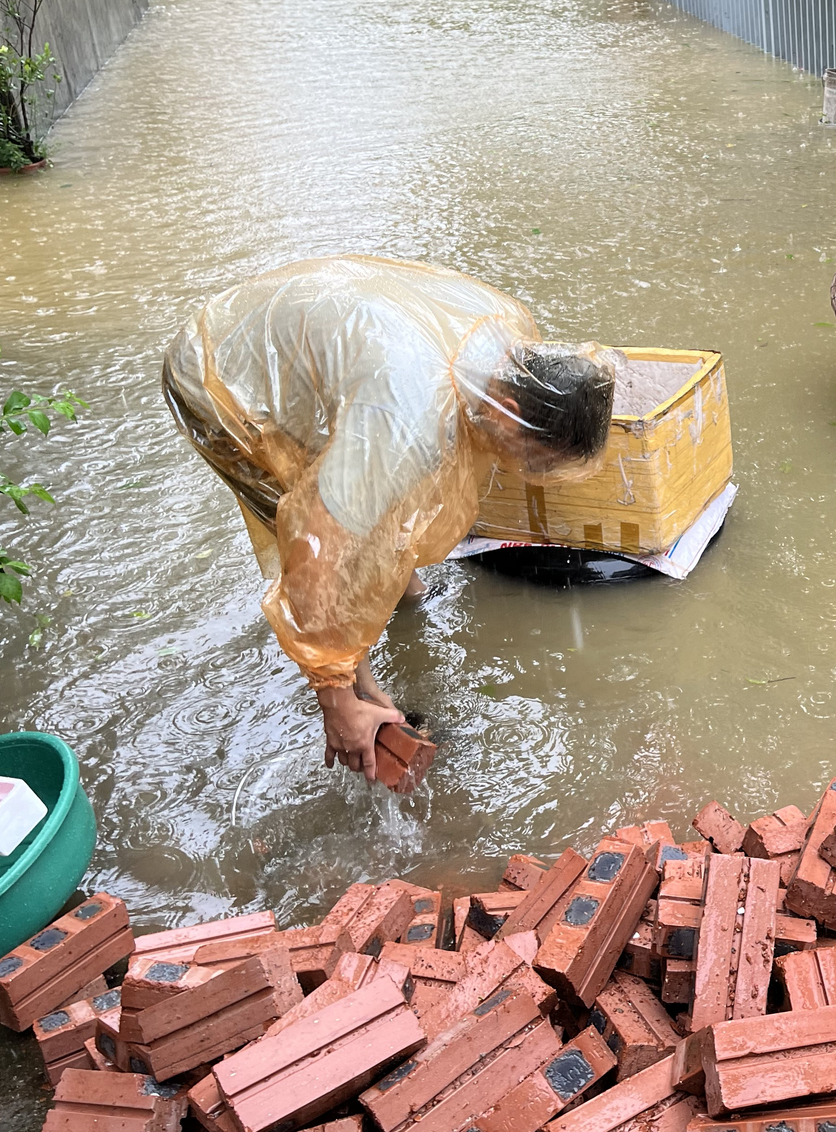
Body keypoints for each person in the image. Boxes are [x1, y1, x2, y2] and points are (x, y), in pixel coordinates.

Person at [162, 255, 615, 782]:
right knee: (321, 525)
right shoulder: (408, 418)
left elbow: (406, 473)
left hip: (311, 348)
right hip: (220, 380)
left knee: (370, 503)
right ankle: (358, 700)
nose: (526, 473)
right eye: (534, 460)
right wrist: (336, 695)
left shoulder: (511, 336)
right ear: (507, 407)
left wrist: (388, 567)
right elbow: (313, 550)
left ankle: (393, 603)